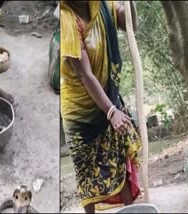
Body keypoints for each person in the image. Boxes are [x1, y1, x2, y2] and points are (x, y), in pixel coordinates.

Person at [60, 1, 141, 213]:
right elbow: (84, 74)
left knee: (118, 157)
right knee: (85, 172)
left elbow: (130, 23)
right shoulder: (66, 19)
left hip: (107, 97)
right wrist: (111, 112)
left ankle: (130, 210)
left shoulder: (103, 5)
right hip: (80, 112)